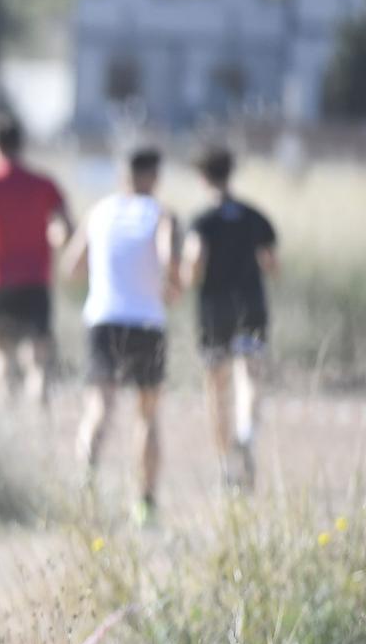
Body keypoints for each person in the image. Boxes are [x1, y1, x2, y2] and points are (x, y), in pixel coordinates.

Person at [62, 147, 180, 525]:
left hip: (103, 318)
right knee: (146, 415)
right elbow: (169, 261)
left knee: (98, 407)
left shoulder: (99, 211)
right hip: (146, 320)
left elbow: (72, 266)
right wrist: (171, 287)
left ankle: (85, 483)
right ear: (154, 177)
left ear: (122, 175)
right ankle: (144, 503)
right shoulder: (162, 214)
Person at [184, 146, 278, 490]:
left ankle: (225, 462)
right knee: (249, 375)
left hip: (213, 313)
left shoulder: (202, 221)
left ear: (203, 177)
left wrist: (185, 279)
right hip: (251, 307)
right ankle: (246, 433)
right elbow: (272, 264)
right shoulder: (255, 216)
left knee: (216, 387)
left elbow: (195, 261)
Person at [0, 118, 74, 405]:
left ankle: (5, 415)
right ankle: (37, 417)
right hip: (36, 279)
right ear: (22, 144)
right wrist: (57, 244)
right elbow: (65, 228)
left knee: (0, 352)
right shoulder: (44, 184)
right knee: (37, 357)